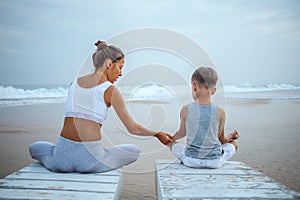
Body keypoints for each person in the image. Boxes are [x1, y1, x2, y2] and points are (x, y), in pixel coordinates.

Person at [29, 40, 172, 173]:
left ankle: (65, 157)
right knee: (134, 151)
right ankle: (99, 155)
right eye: (120, 67)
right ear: (109, 64)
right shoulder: (110, 90)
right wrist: (157, 133)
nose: (121, 73)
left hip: (60, 160)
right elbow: (132, 128)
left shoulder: (74, 83)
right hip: (90, 162)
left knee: (35, 148)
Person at [166, 67, 239, 168]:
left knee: (173, 146)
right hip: (214, 162)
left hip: (191, 161)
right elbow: (222, 140)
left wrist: (171, 139)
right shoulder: (220, 112)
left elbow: (182, 133)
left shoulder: (185, 110)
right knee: (234, 145)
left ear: (194, 86)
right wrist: (231, 136)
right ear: (213, 91)